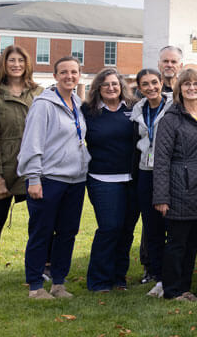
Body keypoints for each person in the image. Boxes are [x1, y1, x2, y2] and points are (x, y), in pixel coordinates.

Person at [17, 56, 91, 299]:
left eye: (74, 72)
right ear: (55, 76)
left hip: (75, 180)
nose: (70, 76)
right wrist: (34, 178)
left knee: (68, 232)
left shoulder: (78, 103)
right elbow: (32, 143)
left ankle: (59, 282)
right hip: (49, 179)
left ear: (79, 75)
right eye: (64, 72)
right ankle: (36, 286)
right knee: (42, 231)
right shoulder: (44, 105)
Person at [0, 44, 40, 293]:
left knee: (42, 221)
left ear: (27, 65)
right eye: (11, 60)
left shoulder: (37, 93)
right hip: (5, 168)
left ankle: (41, 269)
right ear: (4, 64)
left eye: (20, 61)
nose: (16, 65)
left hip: (33, 167)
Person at [152, 67, 197, 301]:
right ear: (179, 89)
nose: (192, 88)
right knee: (177, 243)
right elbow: (161, 160)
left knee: (192, 243)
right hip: (180, 188)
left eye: (196, 84)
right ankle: (172, 290)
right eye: (187, 84)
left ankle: (185, 287)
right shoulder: (171, 119)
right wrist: (161, 197)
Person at [82, 68, 136, 292]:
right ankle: (99, 280)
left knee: (126, 230)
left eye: (115, 84)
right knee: (109, 227)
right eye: (106, 85)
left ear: (121, 86)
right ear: (98, 89)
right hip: (102, 178)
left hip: (132, 179)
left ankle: (118, 278)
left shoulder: (133, 109)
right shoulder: (88, 111)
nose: (111, 88)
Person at [130, 68, 171, 295]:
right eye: (145, 84)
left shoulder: (173, 106)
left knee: (170, 226)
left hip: (167, 171)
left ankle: (172, 276)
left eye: (154, 82)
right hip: (146, 171)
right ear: (140, 87)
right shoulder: (138, 109)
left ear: (162, 82)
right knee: (152, 227)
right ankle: (158, 277)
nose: (151, 88)